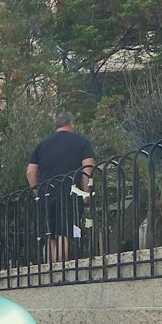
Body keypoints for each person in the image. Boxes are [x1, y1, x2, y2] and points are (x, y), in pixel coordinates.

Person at [27, 112, 94, 264]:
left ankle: (48, 274)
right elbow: (87, 169)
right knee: (64, 233)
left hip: (46, 193)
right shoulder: (82, 142)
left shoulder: (42, 145)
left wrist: (38, 193)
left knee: (50, 235)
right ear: (71, 123)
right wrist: (86, 193)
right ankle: (60, 272)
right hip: (69, 192)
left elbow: (30, 172)